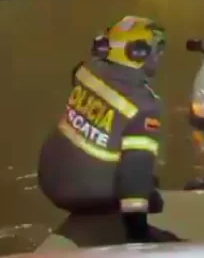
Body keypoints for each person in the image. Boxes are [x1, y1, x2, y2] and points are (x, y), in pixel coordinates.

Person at [39, 16, 174, 243]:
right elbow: (135, 172)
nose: (160, 56)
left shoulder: (87, 71)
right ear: (137, 54)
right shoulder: (143, 105)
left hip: (49, 177)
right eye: (156, 50)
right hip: (85, 194)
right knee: (146, 184)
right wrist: (139, 234)